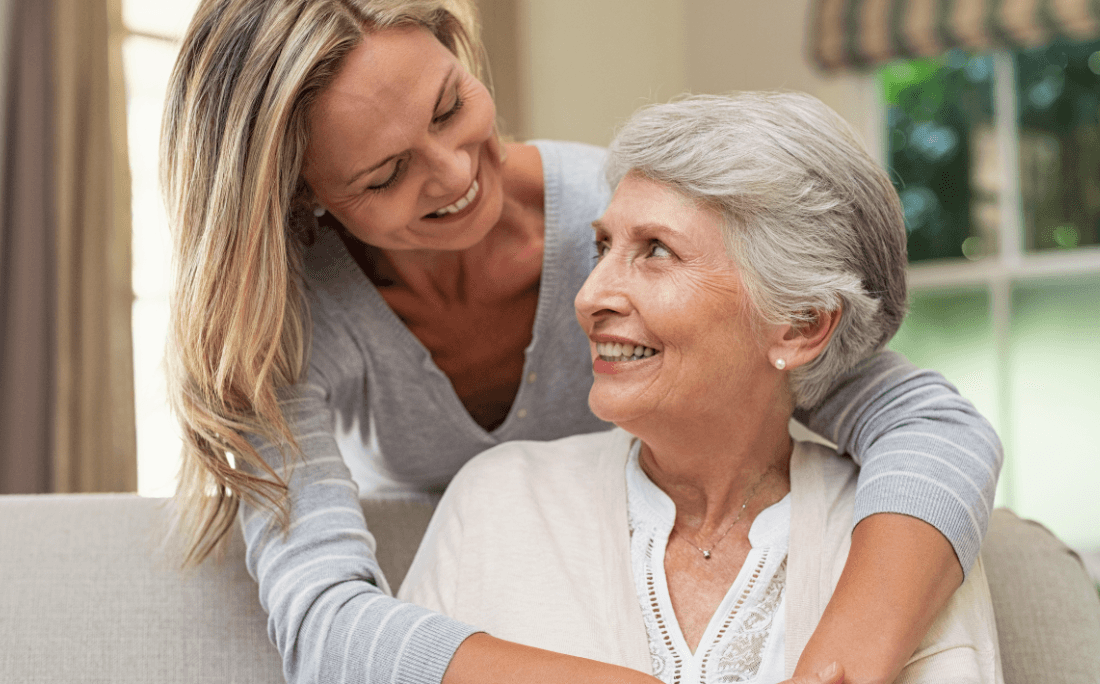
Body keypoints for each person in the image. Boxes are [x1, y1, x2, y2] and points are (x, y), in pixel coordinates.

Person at [160, 0, 1001, 684]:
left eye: (450, 108)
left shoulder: (621, 215)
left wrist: (841, 660)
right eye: (385, 175)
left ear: (457, 47)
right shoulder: (283, 323)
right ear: (304, 197)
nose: (456, 173)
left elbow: (922, 420)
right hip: (454, 606)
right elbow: (324, 627)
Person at [399, 92, 1003, 683]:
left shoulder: (901, 535)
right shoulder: (497, 500)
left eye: (657, 251)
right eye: (602, 247)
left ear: (801, 325)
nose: (588, 296)